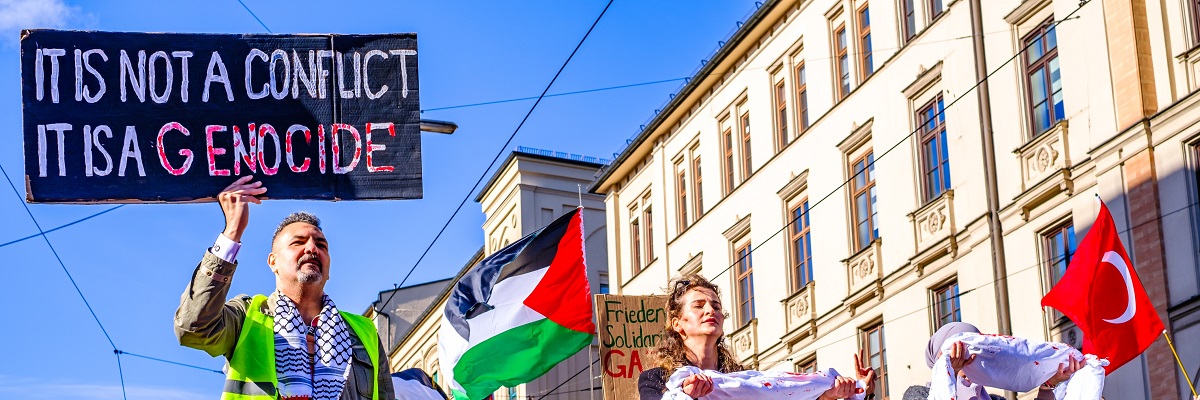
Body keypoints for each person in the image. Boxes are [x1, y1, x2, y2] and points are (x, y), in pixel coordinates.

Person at [175, 176, 396, 400]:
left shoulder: (364, 332)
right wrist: (232, 232)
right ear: (273, 262)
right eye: (298, 242)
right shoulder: (247, 316)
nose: (312, 248)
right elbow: (192, 328)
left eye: (321, 244)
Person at [638, 274, 872, 400]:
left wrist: (832, 394)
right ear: (678, 324)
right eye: (699, 306)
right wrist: (688, 397)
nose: (711, 311)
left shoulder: (744, 380)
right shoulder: (656, 380)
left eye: (716, 306)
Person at [902, 322, 1082, 400]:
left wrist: (1048, 383)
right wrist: (953, 374)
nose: (969, 358)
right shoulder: (917, 394)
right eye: (959, 350)